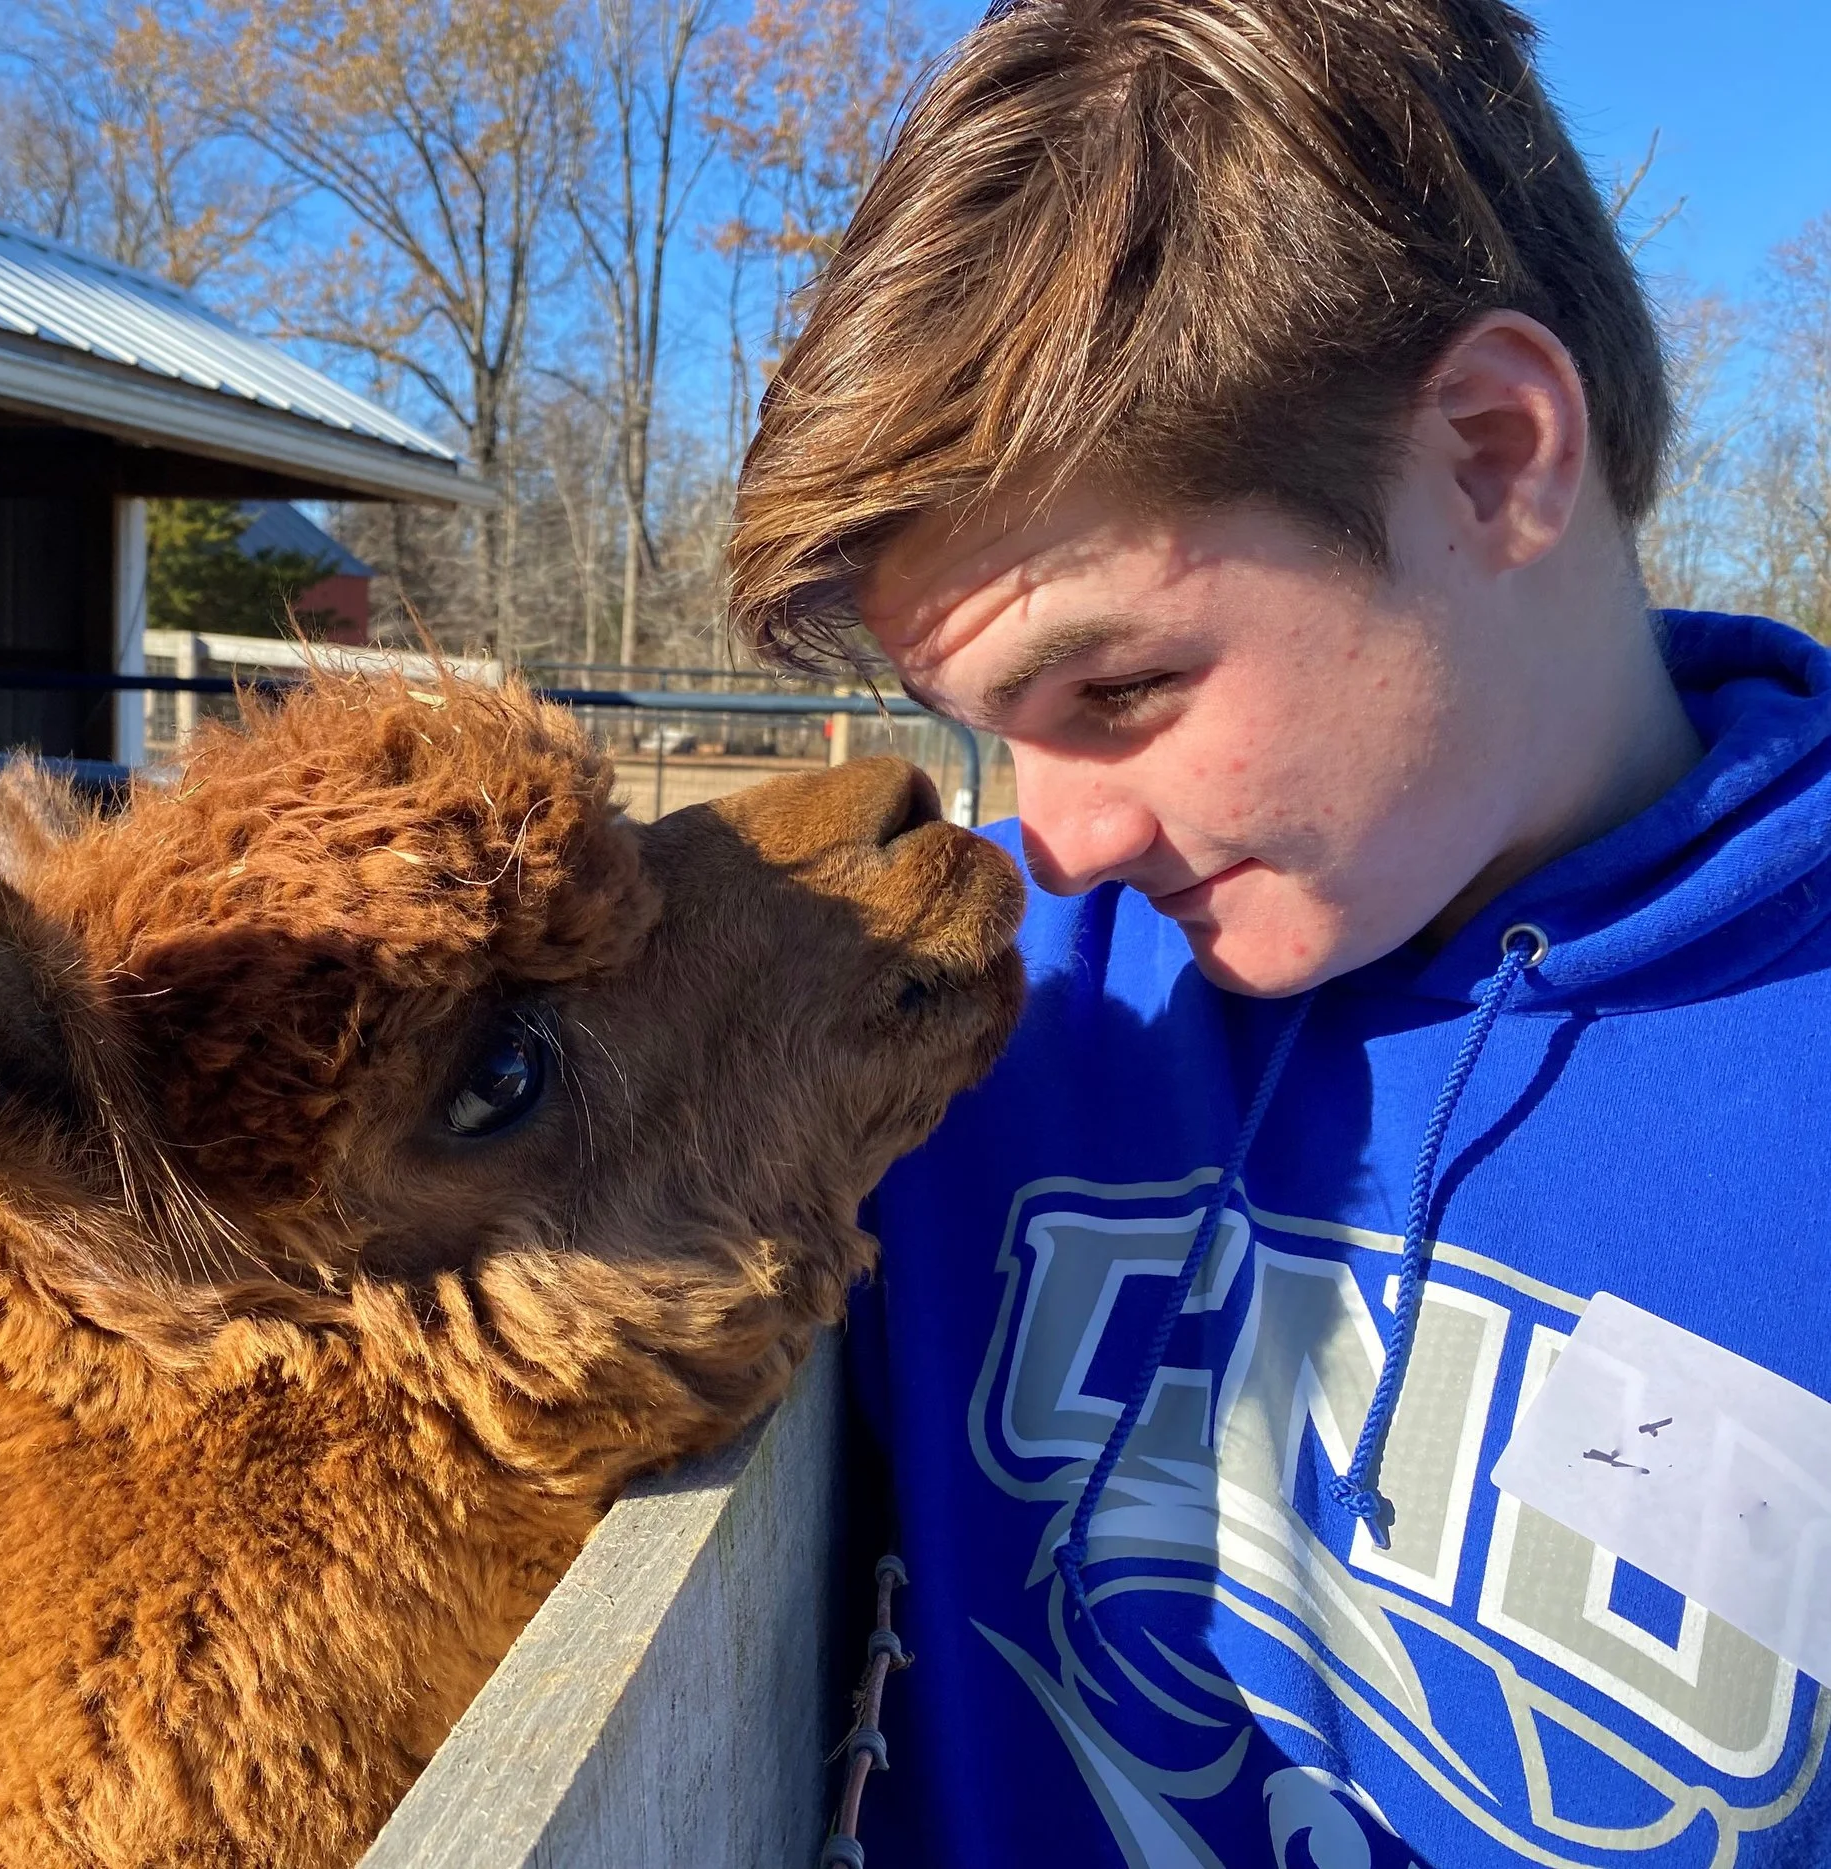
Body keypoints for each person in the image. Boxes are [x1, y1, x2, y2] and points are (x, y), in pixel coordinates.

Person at [727, 1, 1831, 1863]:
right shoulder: (966, 1013)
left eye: (1122, 689)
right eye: (988, 729)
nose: (1058, 843)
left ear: (1493, 454)